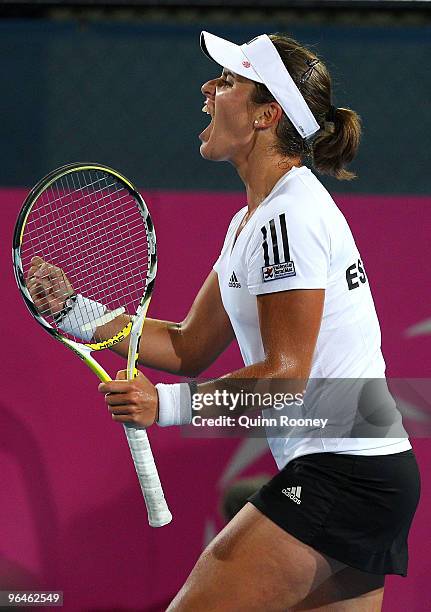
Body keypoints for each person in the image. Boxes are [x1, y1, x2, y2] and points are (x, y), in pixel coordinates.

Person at [27, 31, 420, 611]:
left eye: (228, 80)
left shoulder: (291, 216)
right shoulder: (251, 224)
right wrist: (74, 312)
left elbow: (285, 379)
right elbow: (188, 346)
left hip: (345, 473)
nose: (207, 89)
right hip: (363, 475)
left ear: (267, 115)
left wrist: (165, 407)